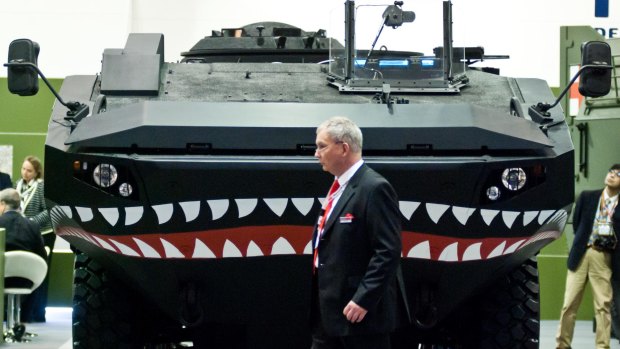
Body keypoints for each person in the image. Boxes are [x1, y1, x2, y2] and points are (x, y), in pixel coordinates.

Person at [310, 116, 402, 349]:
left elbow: (388, 251)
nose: (316, 153)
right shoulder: (338, 188)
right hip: (330, 313)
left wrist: (363, 299)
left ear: (343, 148)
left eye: (322, 146)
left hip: (361, 317)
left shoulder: (374, 188)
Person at [556, 164, 620, 349]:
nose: (612, 176)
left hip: (604, 257)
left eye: (618, 174)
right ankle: (562, 345)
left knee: (603, 306)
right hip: (582, 253)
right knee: (569, 304)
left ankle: (602, 346)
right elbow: (577, 224)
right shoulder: (588, 196)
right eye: (611, 172)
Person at [0, 188, 48, 333]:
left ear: (2, 204)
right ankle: (20, 322)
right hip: (28, 280)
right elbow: (42, 256)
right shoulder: (32, 226)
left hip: (2, 279)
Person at [14, 155, 53, 323]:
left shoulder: (42, 187)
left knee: (40, 275)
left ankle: (38, 313)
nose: (25, 173)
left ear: (37, 172)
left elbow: (49, 211)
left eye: (29, 170)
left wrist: (30, 222)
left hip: (42, 234)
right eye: (23, 169)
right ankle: (22, 313)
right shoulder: (17, 185)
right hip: (23, 234)